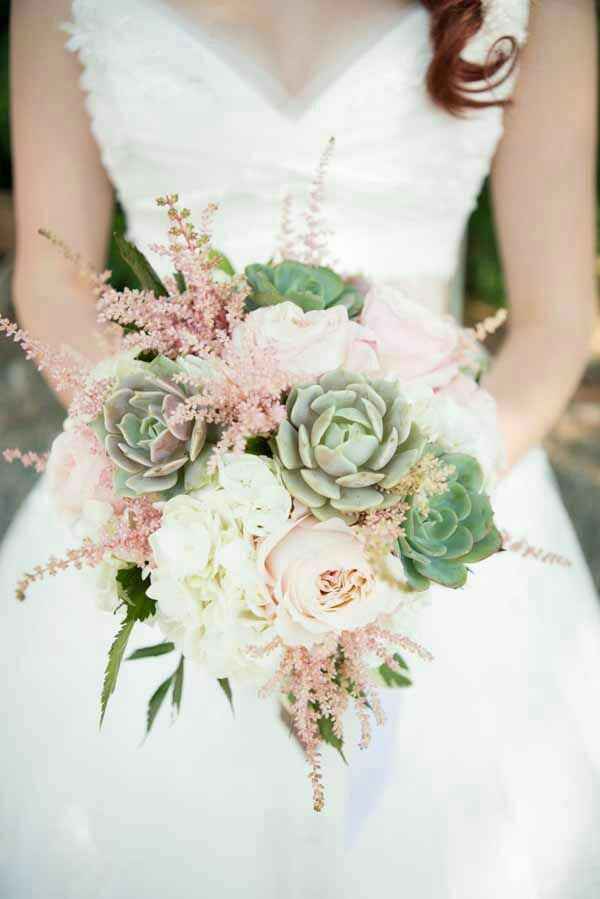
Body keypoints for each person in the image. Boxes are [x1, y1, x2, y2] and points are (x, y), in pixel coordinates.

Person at [2, 1, 599, 896]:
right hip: (163, 503)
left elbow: (554, 322)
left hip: (449, 484)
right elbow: (52, 277)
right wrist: (185, 478)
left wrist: (403, 511)